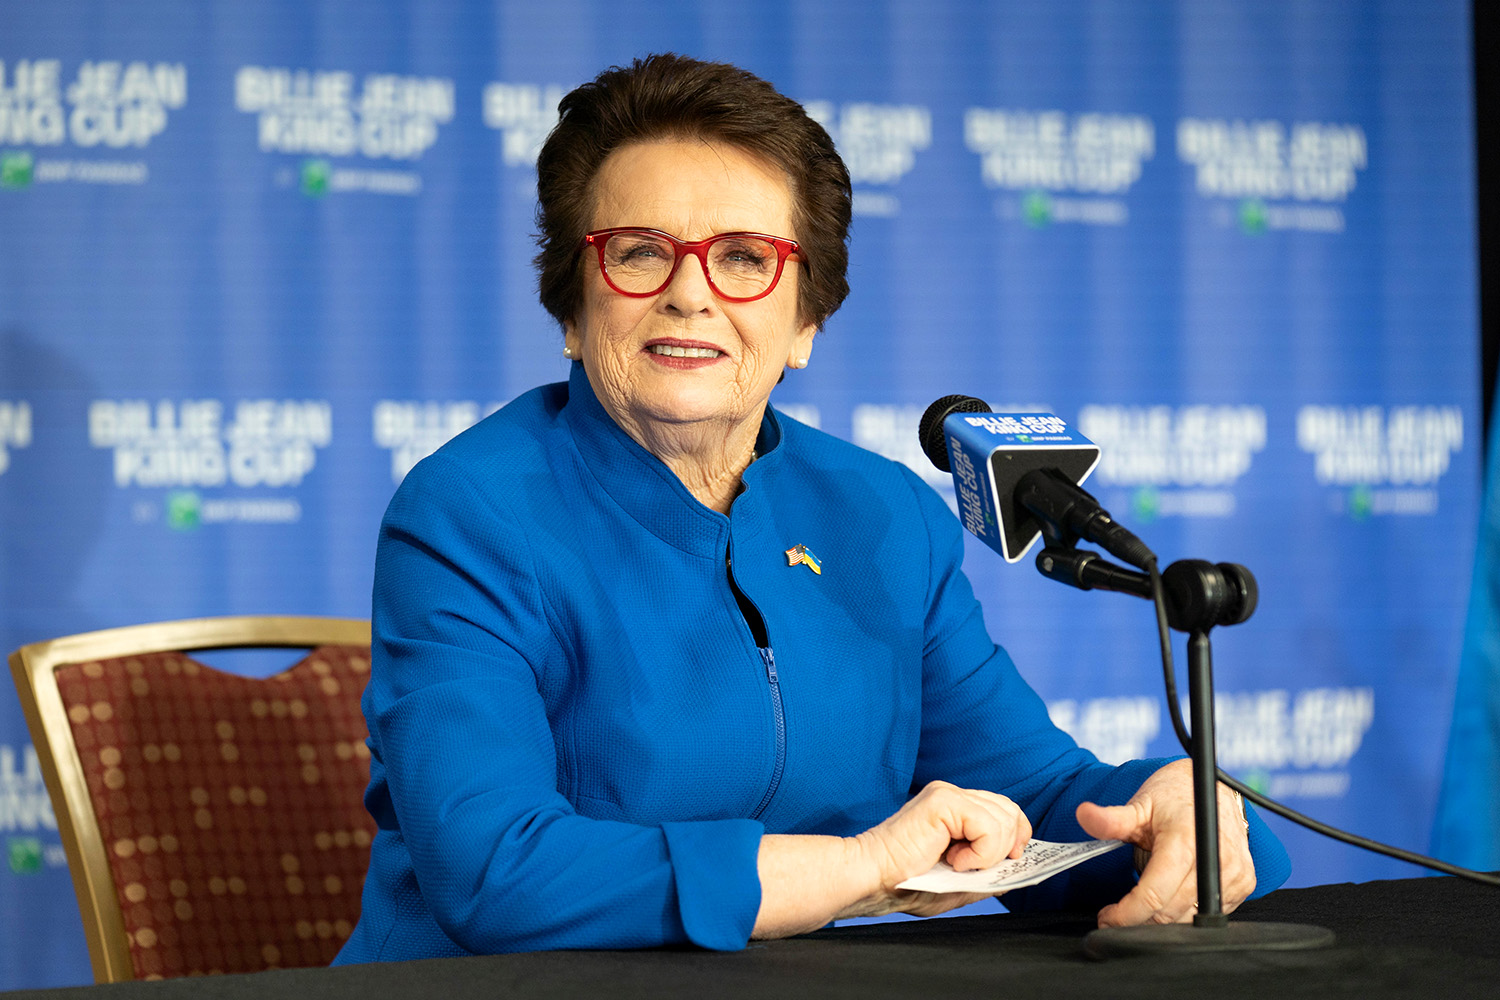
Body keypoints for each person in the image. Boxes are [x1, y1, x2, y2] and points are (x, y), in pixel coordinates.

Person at [335, 53, 1288, 964]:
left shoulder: (881, 517)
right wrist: (858, 870)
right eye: (638, 253)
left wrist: (1178, 823)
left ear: (806, 322)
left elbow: (1031, 794)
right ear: (573, 313)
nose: (689, 295)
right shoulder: (469, 513)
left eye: (745, 259)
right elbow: (499, 870)